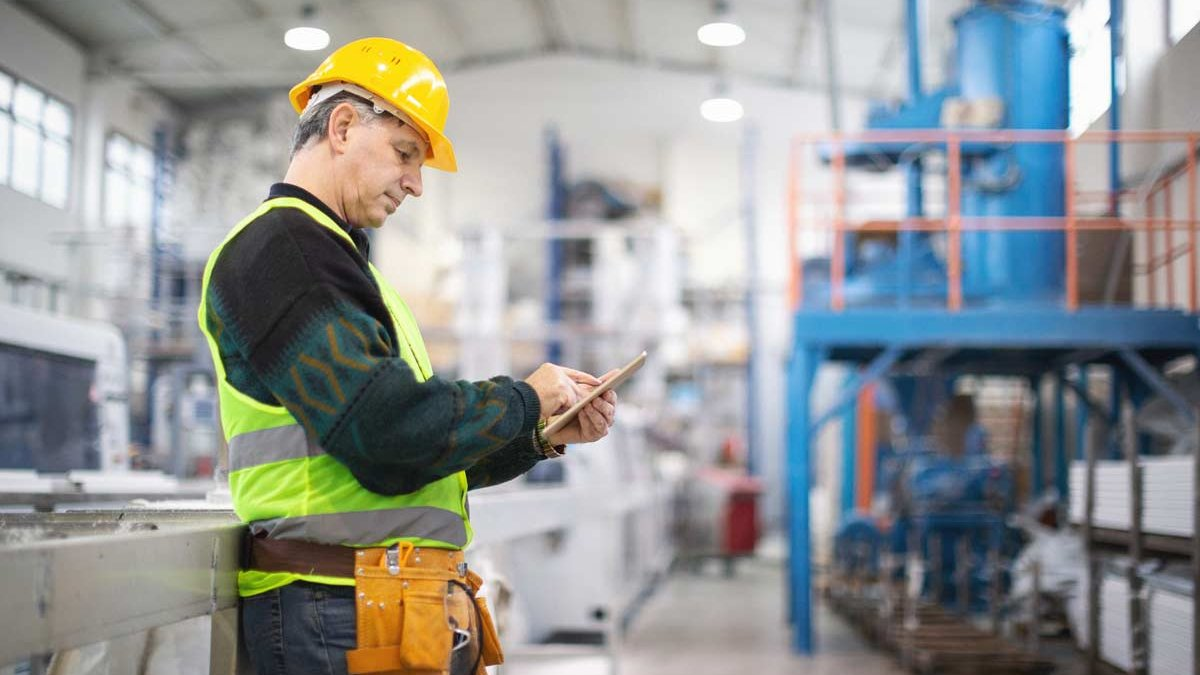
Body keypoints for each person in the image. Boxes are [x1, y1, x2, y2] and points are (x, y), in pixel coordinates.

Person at [196, 37, 618, 675]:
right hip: (333, 608)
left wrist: (538, 430)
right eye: (405, 154)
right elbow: (386, 432)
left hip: (373, 604)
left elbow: (422, 457)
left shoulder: (338, 263)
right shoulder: (284, 250)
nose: (416, 185)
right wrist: (524, 398)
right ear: (342, 127)